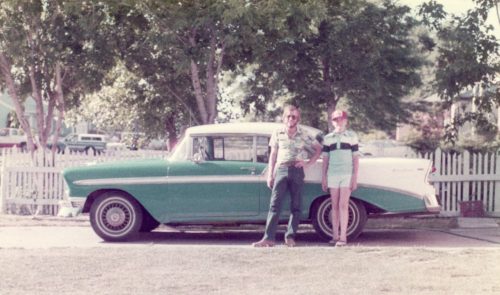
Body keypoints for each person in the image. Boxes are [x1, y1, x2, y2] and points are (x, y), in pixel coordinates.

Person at [252, 104, 322, 247]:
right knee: (274, 205)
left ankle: (290, 237)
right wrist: (270, 175)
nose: (291, 119)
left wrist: (307, 163)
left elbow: (318, 149)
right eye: (288, 116)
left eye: (294, 116)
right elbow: (273, 154)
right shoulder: (277, 133)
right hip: (281, 169)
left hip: (297, 170)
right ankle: (268, 238)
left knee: (296, 206)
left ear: (298, 118)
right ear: (284, 118)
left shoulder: (304, 134)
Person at [321, 110, 360, 247]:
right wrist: (324, 178)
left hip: (346, 174)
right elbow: (325, 159)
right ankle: (335, 236)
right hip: (332, 174)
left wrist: (354, 178)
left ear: (345, 121)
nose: (339, 122)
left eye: (341, 119)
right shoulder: (328, 138)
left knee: (344, 205)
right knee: (335, 206)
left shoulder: (352, 136)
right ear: (332, 122)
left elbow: (356, 158)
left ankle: (343, 237)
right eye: (336, 120)